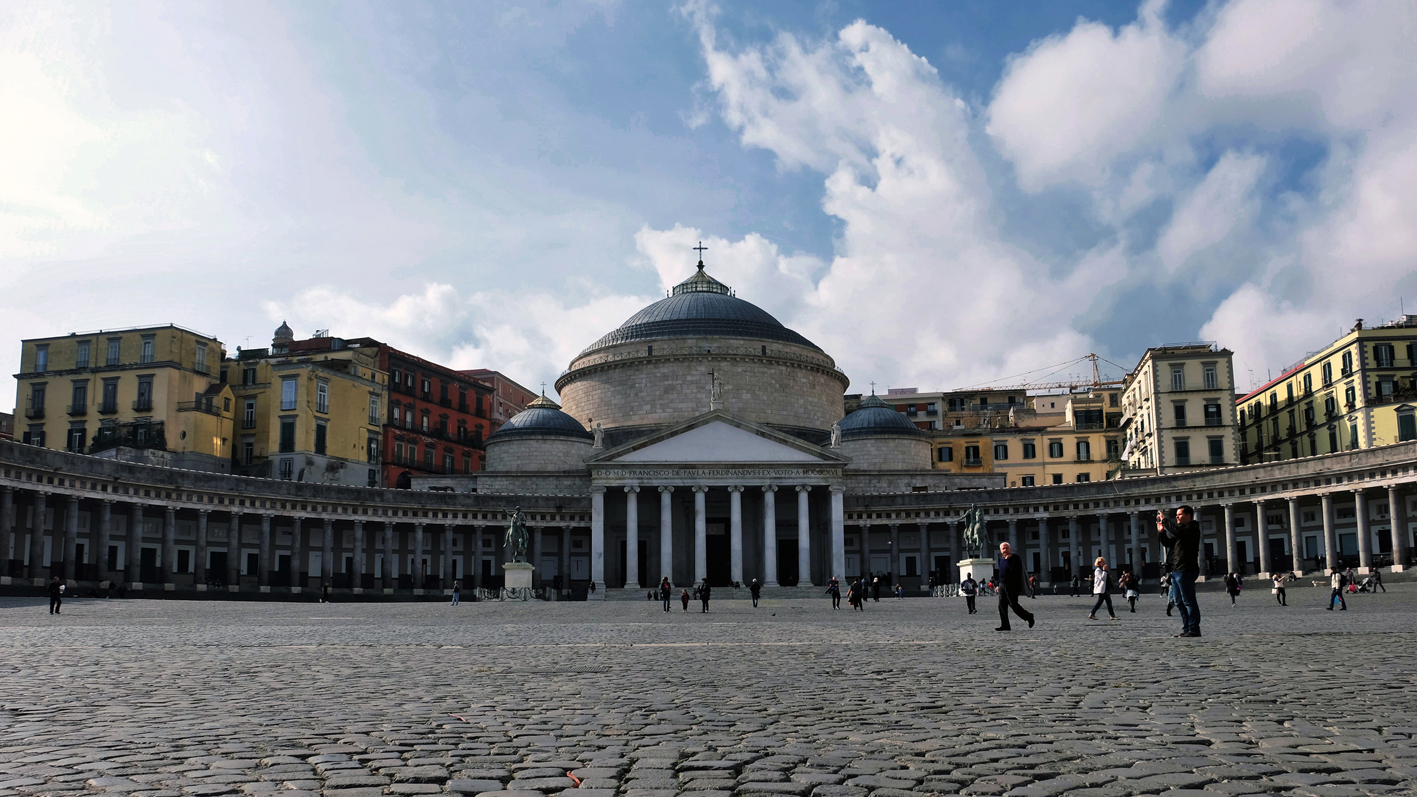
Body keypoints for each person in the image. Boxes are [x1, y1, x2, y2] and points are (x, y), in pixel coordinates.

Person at [1158, 505, 1202, 638]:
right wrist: (1161, 532)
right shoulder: (1182, 531)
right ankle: (1187, 628)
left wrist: (1165, 521)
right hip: (1176, 570)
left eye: (1179, 514)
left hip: (1186, 569)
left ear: (1188, 515)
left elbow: (1178, 532)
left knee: (1189, 601)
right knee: (1178, 602)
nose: (1176, 516)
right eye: (1176, 515)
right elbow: (1168, 543)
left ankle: (1194, 629)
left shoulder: (1192, 529)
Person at [995, 543, 1036, 631]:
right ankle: (1005, 625)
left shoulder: (1015, 558)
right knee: (1001, 605)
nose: (1005, 550)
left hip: (1012, 585)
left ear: (1010, 549)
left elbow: (1015, 570)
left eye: (1006, 548)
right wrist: (998, 585)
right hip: (1002, 585)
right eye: (1003, 548)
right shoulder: (1001, 560)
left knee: (1013, 604)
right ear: (1000, 550)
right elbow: (1001, 573)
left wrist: (1008, 560)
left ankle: (1029, 616)